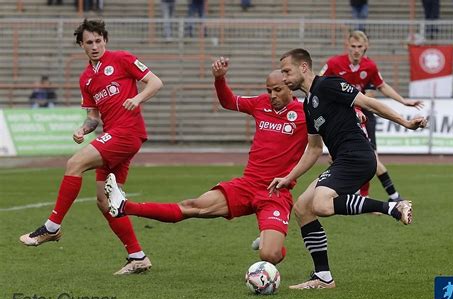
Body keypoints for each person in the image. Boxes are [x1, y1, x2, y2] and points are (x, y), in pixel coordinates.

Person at [104, 56, 309, 265]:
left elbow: (321, 140)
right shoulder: (260, 103)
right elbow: (228, 101)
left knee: (269, 255)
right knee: (192, 206)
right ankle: (124, 205)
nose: (272, 95)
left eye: (277, 90)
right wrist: (219, 79)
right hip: (247, 185)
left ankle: (270, 241)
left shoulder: (304, 113)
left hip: (276, 192)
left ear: (290, 87)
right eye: (269, 90)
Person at [269, 48, 427, 289]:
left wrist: (405, 122)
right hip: (344, 159)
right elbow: (313, 149)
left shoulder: (328, 85)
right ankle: (323, 277)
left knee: (321, 204)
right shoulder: (309, 104)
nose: (284, 77)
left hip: (358, 156)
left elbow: (369, 103)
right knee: (302, 208)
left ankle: (393, 207)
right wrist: (288, 177)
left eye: (287, 71)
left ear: (303, 67)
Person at [19, 19, 163, 275]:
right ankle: (137, 256)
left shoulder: (122, 58)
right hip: (112, 135)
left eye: (98, 41)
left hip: (127, 133)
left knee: (74, 163)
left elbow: (155, 82)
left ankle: (52, 227)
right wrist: (83, 129)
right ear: (81, 45)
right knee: (106, 200)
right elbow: (93, 117)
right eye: (89, 42)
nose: (95, 46)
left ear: (105, 40)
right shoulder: (86, 79)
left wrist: (137, 98)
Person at [319, 30, 423, 201]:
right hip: (342, 117)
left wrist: (403, 101)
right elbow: (317, 83)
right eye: (353, 46)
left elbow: (382, 86)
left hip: (364, 116)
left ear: (366, 46)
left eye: (359, 46)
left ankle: (390, 196)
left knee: (370, 158)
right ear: (347, 46)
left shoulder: (370, 67)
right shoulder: (333, 64)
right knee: (339, 158)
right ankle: (360, 195)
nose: (356, 50)